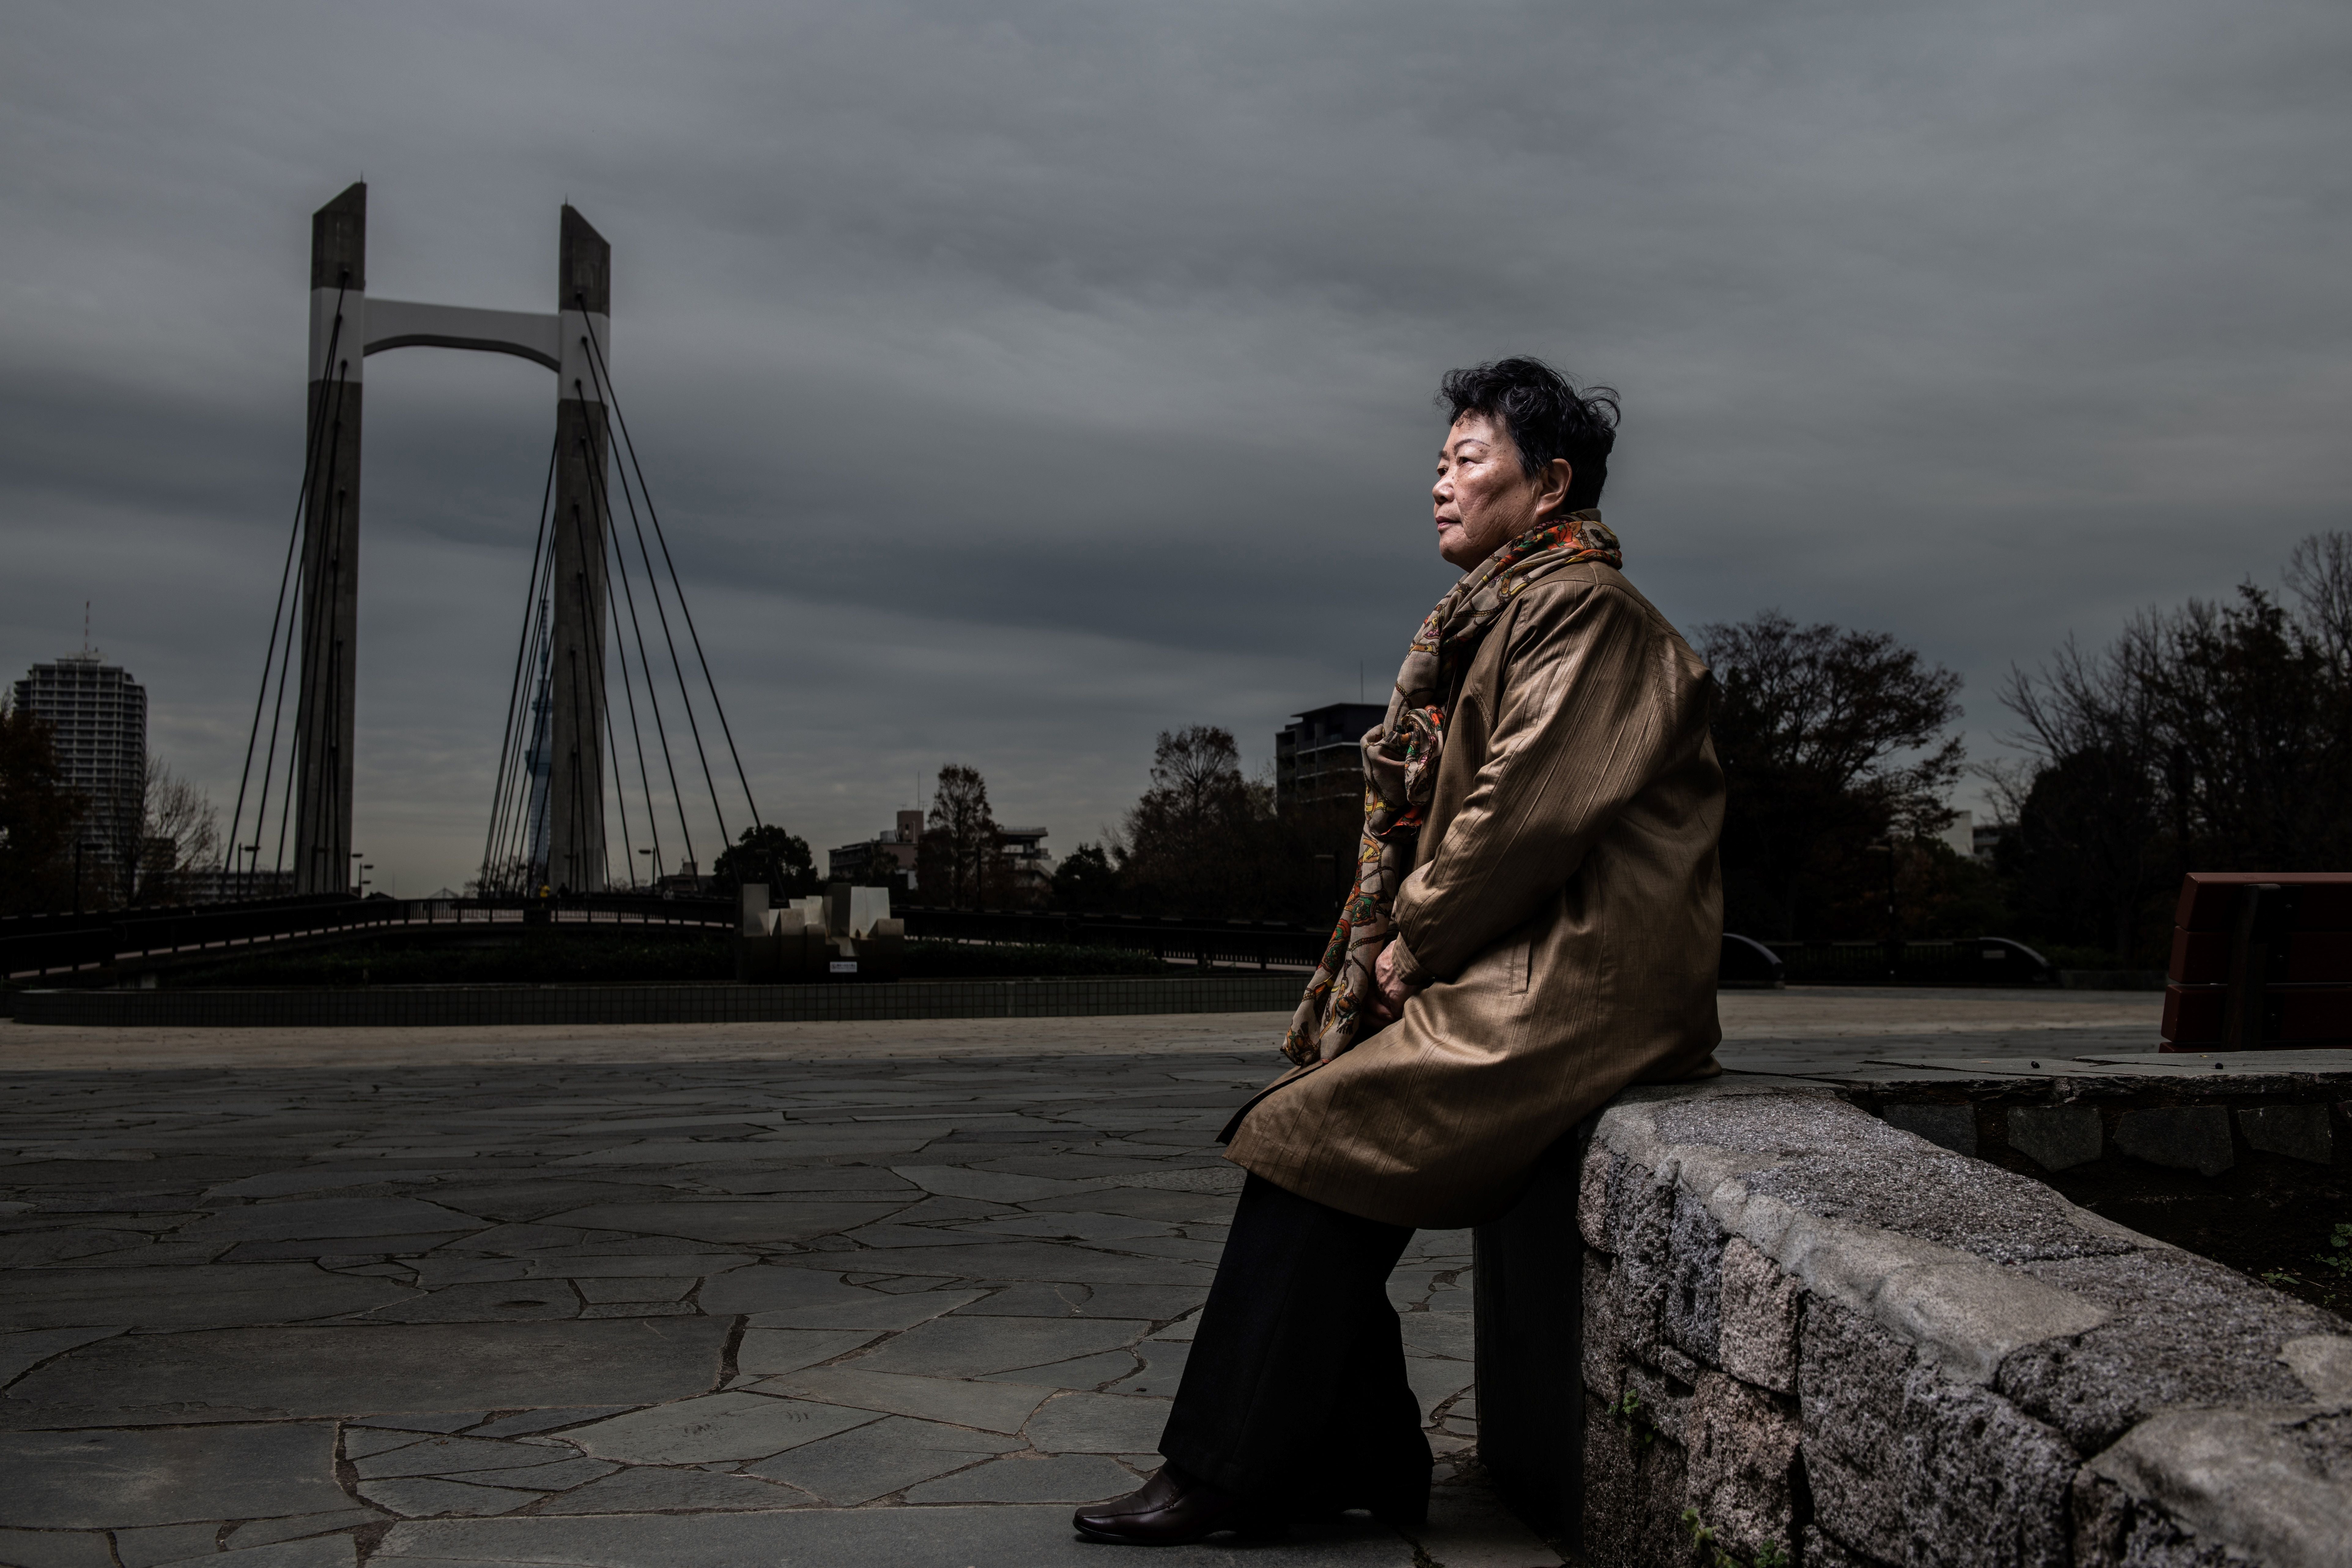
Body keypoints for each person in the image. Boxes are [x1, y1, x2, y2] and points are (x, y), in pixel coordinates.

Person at [1073, 357, 1726, 1546]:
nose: (1440, 483)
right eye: (1439, 462)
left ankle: (1240, 1465)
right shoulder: (1515, 608)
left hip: (1585, 978)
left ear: (1552, 484)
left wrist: (1416, 939)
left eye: (1469, 460)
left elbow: (1526, 808)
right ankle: (1357, 1460)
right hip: (1538, 962)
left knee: (1307, 1136)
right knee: (1310, 1134)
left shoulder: (1586, 613)